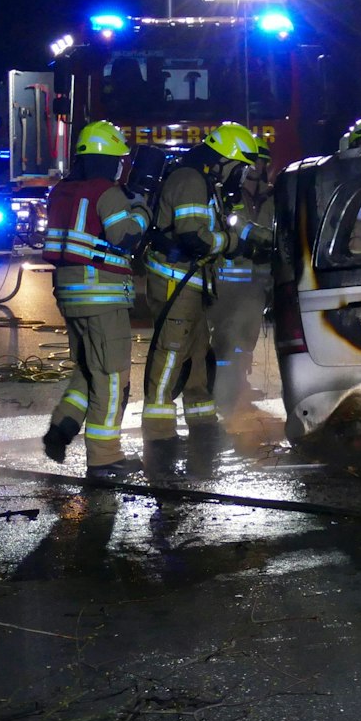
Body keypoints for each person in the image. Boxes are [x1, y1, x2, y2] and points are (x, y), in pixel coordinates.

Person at [142, 121, 262, 470]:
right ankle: (159, 428)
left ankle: (201, 420)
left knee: (197, 354)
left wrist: (251, 239)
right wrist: (232, 244)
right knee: (171, 352)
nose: (239, 174)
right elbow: (194, 237)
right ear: (224, 159)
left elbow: (216, 229)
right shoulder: (190, 180)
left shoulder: (203, 182)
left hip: (193, 282)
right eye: (238, 166)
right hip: (175, 280)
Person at [40, 121, 149, 479]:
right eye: (119, 158)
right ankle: (104, 459)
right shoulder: (107, 191)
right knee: (113, 376)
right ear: (109, 160)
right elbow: (125, 236)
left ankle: (62, 428)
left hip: (69, 296)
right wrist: (143, 210)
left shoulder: (61, 191)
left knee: (89, 370)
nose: (122, 165)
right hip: (103, 297)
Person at [211, 137, 276, 428]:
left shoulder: (273, 197)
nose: (254, 166)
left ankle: (239, 382)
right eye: (251, 161)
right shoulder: (229, 196)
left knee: (246, 338)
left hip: (258, 282)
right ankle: (223, 388)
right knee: (225, 336)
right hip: (229, 280)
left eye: (259, 161)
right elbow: (234, 225)